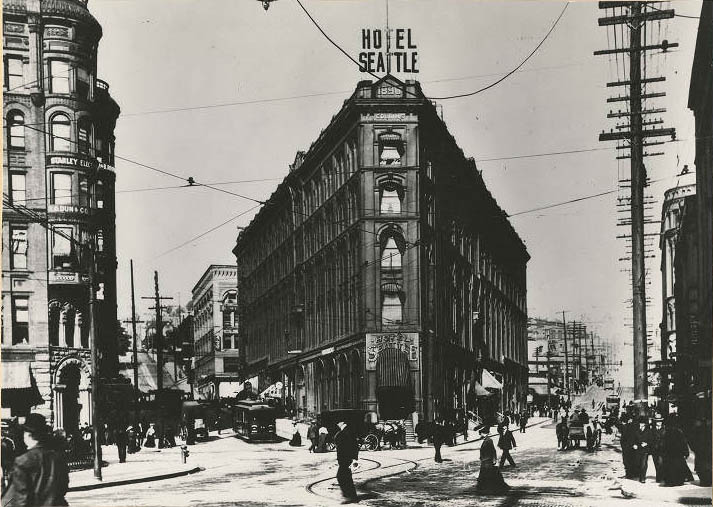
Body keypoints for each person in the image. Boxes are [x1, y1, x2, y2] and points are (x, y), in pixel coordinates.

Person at [1, 414, 69, 507]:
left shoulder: (22, 461)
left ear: (27, 435)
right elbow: (63, 488)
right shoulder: (58, 458)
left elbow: (21, 499)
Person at [476, 426, 509, 494]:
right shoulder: (486, 440)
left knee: (487, 474)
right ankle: (487, 487)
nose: (480, 435)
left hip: (487, 460)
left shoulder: (489, 440)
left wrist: (494, 459)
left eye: (481, 433)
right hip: (485, 460)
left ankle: (488, 487)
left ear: (484, 433)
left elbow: (493, 450)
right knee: (488, 473)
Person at [662, 415, 693, 486]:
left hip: (669, 453)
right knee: (678, 467)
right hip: (678, 453)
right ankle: (679, 481)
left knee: (670, 467)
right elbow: (684, 443)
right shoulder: (679, 432)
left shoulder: (667, 432)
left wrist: (663, 452)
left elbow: (663, 444)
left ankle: (670, 481)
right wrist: (686, 453)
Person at [334, 421, 358, 504]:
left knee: (342, 477)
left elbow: (353, 445)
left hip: (345, 459)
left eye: (338, 423)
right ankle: (351, 496)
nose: (337, 424)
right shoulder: (345, 432)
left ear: (343, 423)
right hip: (345, 459)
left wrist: (354, 459)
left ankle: (350, 496)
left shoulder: (345, 432)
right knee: (346, 477)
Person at [631, 417, 652, 483]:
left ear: (645, 424)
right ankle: (640, 475)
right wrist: (633, 445)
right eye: (640, 423)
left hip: (645, 450)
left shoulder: (648, 431)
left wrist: (647, 443)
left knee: (643, 463)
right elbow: (632, 439)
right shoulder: (636, 430)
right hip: (637, 449)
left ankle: (643, 478)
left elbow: (651, 440)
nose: (641, 424)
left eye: (642, 423)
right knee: (638, 463)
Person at [650, 414, 666, 483]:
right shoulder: (652, 429)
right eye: (657, 421)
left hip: (662, 449)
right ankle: (659, 477)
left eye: (660, 421)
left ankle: (660, 477)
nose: (659, 422)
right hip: (654, 449)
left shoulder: (665, 429)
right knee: (656, 463)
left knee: (660, 463)